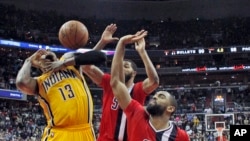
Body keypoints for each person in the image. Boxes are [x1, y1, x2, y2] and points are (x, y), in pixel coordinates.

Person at [80, 24, 160, 140]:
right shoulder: (108, 82)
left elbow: (154, 81)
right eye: (120, 65)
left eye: (126, 66)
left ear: (134, 73)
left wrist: (142, 52)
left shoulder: (138, 88)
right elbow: (86, 66)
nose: (122, 68)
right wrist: (103, 42)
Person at [110, 30, 190, 141]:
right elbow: (116, 83)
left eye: (161, 97)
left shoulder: (181, 136)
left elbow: (154, 80)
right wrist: (121, 43)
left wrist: (142, 52)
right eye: (155, 95)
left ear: (170, 108)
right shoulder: (137, 113)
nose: (155, 97)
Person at [15, 49, 107, 141]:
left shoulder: (70, 65)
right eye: (41, 56)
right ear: (39, 65)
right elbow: (21, 82)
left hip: (86, 131)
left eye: (48, 51)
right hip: (60, 134)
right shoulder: (39, 82)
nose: (45, 53)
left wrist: (63, 63)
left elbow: (100, 56)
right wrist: (28, 60)